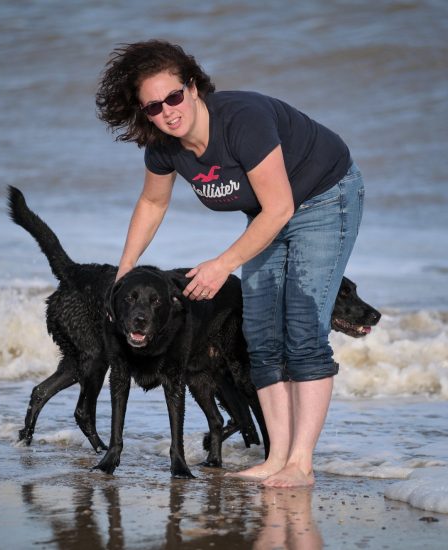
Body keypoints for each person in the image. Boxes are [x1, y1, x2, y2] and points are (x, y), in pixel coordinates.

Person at [95, 40, 364, 488]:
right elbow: (151, 203)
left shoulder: (243, 122)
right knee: (260, 334)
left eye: (174, 97)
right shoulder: (164, 147)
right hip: (267, 214)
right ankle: (277, 458)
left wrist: (223, 264)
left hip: (324, 198)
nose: (168, 111)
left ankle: (301, 463)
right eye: (154, 106)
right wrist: (123, 272)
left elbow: (280, 209)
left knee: (302, 329)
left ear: (194, 87)